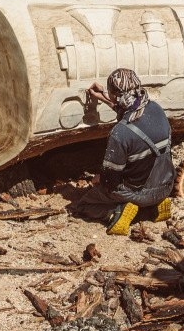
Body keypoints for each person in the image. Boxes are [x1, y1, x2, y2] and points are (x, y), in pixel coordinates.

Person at [72, 68, 174, 235]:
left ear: (115, 95)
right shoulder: (155, 109)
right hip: (165, 186)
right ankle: (155, 207)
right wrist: (104, 95)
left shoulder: (119, 133)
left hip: (139, 192)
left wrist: (99, 180)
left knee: (84, 205)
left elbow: (110, 179)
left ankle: (117, 212)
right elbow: (128, 109)